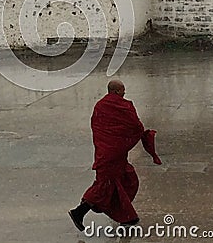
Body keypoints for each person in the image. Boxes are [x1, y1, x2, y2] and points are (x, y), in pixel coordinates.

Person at [68, 79, 161, 232]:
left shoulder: (100, 106)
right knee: (104, 186)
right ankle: (78, 212)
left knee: (124, 179)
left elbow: (98, 128)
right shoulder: (123, 106)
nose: (124, 93)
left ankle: (127, 216)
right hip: (113, 154)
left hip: (106, 152)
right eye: (123, 90)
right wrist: (143, 135)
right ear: (117, 91)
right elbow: (135, 126)